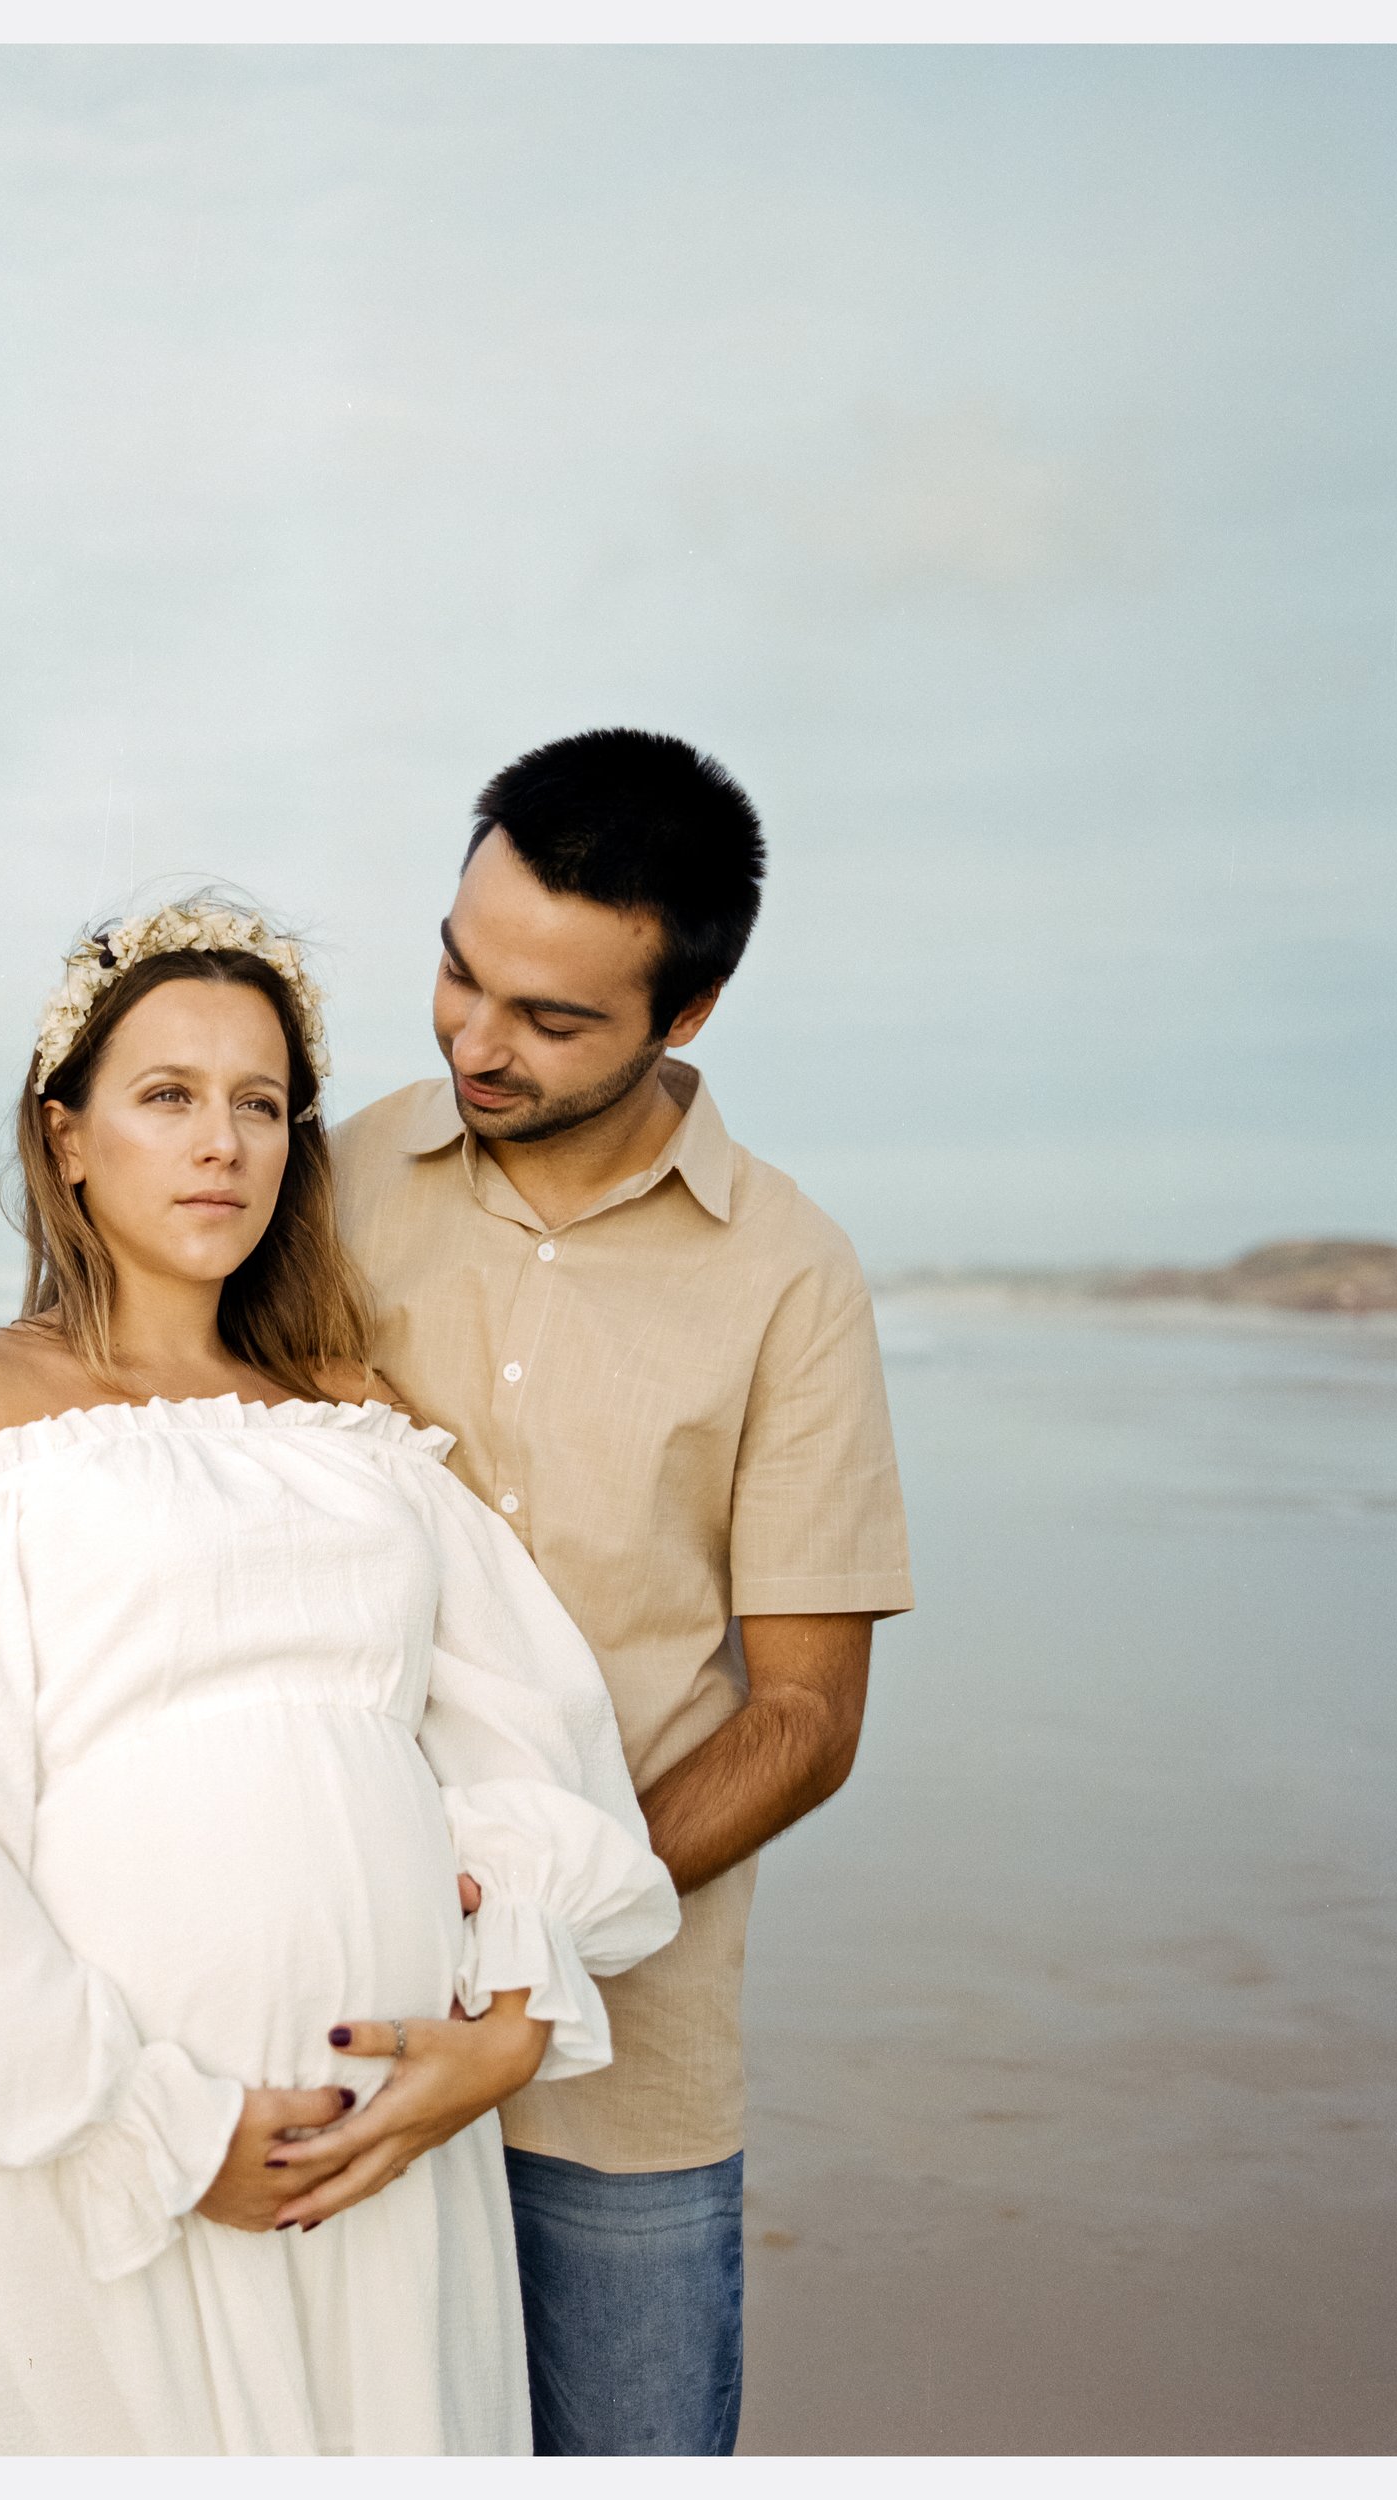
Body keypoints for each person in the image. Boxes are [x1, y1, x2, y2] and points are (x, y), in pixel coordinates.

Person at [0, 898, 682, 2455]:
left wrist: (503, 2026)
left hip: (393, 2161)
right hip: (111, 2178)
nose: (222, 1140)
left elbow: (519, 1741)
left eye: (262, 1102)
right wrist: (159, 2138)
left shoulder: (349, 1418)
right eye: (168, 1095)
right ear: (66, 1137)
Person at [327, 729, 917, 2456]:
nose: (476, 1041)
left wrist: (527, 1952)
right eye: (457, 968)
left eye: (555, 1017)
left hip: (626, 2067)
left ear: (688, 1016)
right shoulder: (330, 1180)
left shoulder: (791, 1274)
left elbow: (805, 1724)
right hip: (326, 2006)